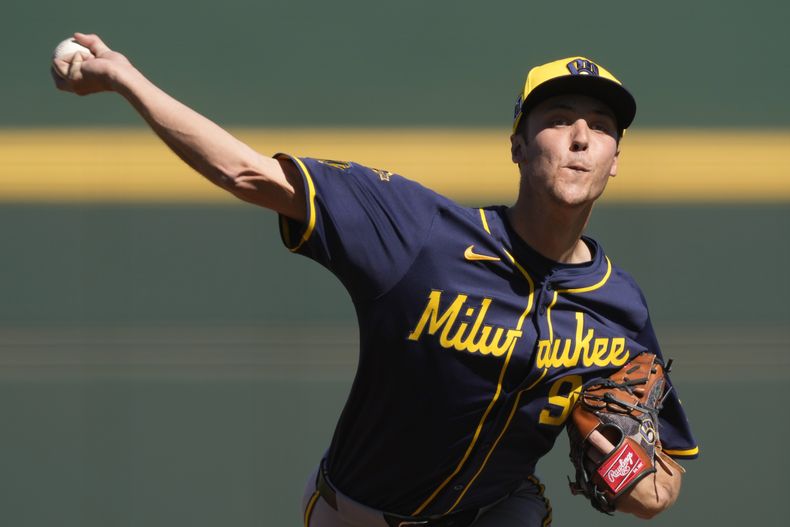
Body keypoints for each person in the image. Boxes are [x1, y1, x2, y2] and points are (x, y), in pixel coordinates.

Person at [52, 34, 698, 526]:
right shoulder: (419, 231)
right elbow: (246, 173)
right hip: (358, 509)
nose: (582, 136)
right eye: (557, 118)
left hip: (495, 510)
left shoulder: (617, 304)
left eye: (603, 127)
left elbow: (655, 489)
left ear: (615, 161)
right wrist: (125, 78)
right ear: (519, 145)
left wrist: (622, 456)